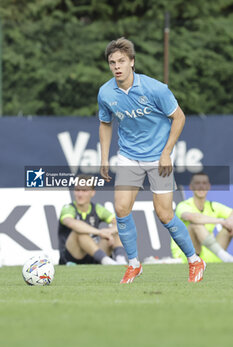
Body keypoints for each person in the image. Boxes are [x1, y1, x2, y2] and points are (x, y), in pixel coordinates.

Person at [98, 37, 206, 284]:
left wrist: (167, 152)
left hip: (159, 157)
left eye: (122, 61)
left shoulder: (155, 89)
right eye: (112, 62)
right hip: (128, 156)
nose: (117, 66)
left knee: (164, 214)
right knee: (121, 207)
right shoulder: (105, 92)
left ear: (132, 62)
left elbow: (179, 117)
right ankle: (134, 264)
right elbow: (105, 123)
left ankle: (194, 260)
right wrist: (104, 157)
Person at [58, 178, 127, 266]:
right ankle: (106, 260)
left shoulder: (98, 208)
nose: (80, 194)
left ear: (92, 192)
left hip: (94, 254)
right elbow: (71, 223)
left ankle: (120, 260)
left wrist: (109, 232)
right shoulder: (68, 208)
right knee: (79, 232)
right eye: (77, 190)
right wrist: (99, 232)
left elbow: (122, 223)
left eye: (84, 191)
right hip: (73, 256)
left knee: (116, 230)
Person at [171, 172, 233, 263]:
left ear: (208, 186)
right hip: (188, 257)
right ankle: (226, 258)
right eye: (197, 183)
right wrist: (222, 221)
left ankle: (223, 256)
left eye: (204, 184)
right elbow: (192, 217)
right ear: (191, 187)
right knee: (196, 225)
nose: (201, 187)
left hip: (212, 254)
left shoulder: (213, 205)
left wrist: (230, 221)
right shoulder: (184, 205)